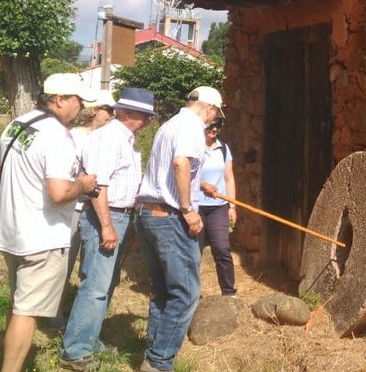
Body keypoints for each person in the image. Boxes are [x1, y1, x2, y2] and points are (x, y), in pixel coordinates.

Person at [0, 73, 97, 372]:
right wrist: (84, 185)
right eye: (78, 101)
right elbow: (60, 192)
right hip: (43, 237)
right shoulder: (56, 136)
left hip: (12, 231)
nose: (83, 109)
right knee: (28, 312)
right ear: (59, 99)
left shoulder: (17, 124)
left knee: (18, 303)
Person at [59, 87, 155, 371]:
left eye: (149, 116)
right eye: (142, 115)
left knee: (106, 283)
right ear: (124, 112)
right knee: (96, 285)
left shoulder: (126, 140)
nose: (147, 121)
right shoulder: (109, 137)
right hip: (107, 215)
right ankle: (75, 351)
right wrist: (107, 226)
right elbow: (98, 185)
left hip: (121, 216)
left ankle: (87, 339)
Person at [133, 86, 224, 372]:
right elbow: (180, 162)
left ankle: (152, 354)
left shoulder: (170, 124)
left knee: (163, 292)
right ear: (209, 108)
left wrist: (200, 185)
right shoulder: (192, 128)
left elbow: (173, 169)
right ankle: (159, 362)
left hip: (148, 214)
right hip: (170, 217)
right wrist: (188, 208)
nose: (214, 121)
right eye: (216, 114)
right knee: (185, 293)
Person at [52, 89, 116, 330]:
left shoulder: (105, 138)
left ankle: (75, 312)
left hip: (94, 207)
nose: (111, 115)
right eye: (107, 110)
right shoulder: (75, 136)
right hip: (73, 207)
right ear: (94, 111)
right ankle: (53, 311)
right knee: (64, 259)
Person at [196, 119, 237, 297]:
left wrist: (232, 206)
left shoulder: (224, 149)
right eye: (210, 126)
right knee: (193, 252)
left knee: (222, 249)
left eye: (217, 126)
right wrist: (203, 185)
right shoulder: (194, 148)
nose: (213, 130)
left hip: (218, 207)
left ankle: (229, 294)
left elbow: (229, 178)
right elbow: (184, 175)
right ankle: (192, 294)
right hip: (196, 207)